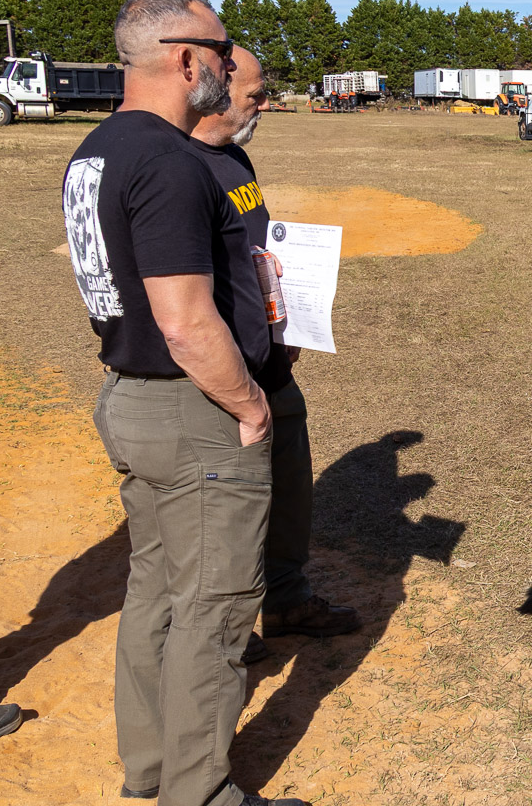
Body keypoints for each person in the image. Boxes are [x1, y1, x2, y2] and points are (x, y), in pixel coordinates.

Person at [62, 0, 305, 806]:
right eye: (223, 49)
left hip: (131, 397)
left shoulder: (97, 148)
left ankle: (152, 770)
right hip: (190, 411)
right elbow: (184, 320)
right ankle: (197, 792)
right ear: (185, 57)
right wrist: (250, 405)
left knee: (157, 593)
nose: (232, 65)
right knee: (216, 608)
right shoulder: (168, 160)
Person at [190, 46, 361, 664]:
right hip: (222, 368)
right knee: (228, 510)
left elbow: (254, 249)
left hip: (270, 359)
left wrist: (287, 320)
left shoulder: (234, 159)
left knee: (289, 486)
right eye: (255, 94)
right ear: (215, 87)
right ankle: (226, 636)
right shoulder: (180, 166)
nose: (265, 104)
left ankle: (286, 598)